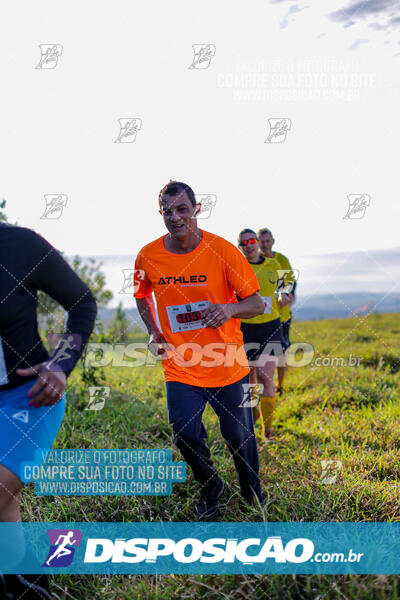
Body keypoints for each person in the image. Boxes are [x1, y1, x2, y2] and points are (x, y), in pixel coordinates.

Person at [134, 180, 266, 521]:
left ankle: (253, 491)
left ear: (197, 209)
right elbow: (141, 294)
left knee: (238, 434)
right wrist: (153, 331)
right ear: (160, 213)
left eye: (182, 209)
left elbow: (257, 303)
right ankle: (211, 486)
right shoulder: (148, 255)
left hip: (225, 361)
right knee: (185, 433)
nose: (175, 217)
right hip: (181, 364)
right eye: (168, 211)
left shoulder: (223, 250)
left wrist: (228, 309)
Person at [0, 222, 97, 599]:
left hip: (30, 397)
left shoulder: (19, 244)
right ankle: (23, 587)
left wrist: (61, 363)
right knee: (4, 507)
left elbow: (82, 303)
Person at [238, 229, 289, 442]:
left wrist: (285, 293)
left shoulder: (274, 264)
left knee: (265, 377)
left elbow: (284, 285)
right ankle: (252, 418)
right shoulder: (237, 267)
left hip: (270, 326)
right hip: (244, 328)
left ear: (258, 242)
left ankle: (267, 432)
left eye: (252, 241)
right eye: (244, 243)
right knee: (249, 383)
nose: (249, 245)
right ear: (240, 246)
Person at [258, 228, 296, 395]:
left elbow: (289, 282)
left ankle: (280, 386)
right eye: (262, 241)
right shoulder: (253, 261)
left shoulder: (281, 260)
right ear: (257, 242)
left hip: (281, 316)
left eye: (268, 241)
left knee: (281, 353)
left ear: (273, 241)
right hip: (258, 318)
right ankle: (264, 387)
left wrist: (285, 295)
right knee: (259, 356)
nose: (265, 245)